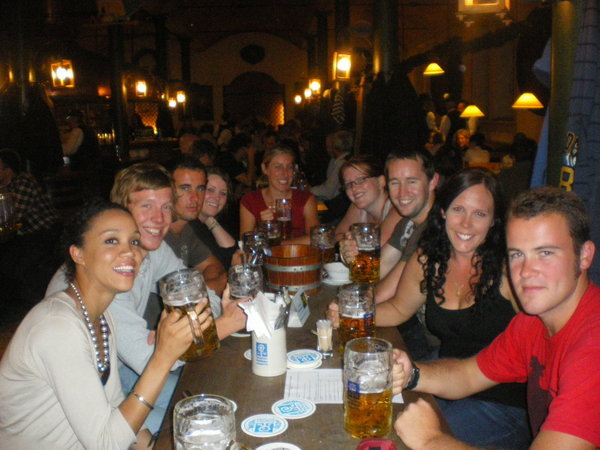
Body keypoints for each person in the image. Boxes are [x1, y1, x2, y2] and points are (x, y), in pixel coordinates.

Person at [45, 162, 247, 435]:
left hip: (118, 374)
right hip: (75, 407)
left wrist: (174, 338)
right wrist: (219, 327)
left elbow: (203, 296)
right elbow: (150, 359)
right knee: (200, 420)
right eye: (146, 206)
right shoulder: (103, 271)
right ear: (121, 210)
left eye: (166, 207)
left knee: (217, 399)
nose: (160, 218)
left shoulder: (155, 250)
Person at [393, 187, 600, 449]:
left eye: (545, 253)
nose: (526, 271)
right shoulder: (533, 322)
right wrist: (411, 374)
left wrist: (431, 440)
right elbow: (468, 375)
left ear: (584, 256)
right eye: (516, 255)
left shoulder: (593, 347)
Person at [0, 201, 206, 448]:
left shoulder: (101, 316)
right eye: (111, 241)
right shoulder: (58, 328)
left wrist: (152, 446)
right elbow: (106, 445)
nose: (129, 252)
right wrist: (162, 358)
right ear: (78, 253)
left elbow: (116, 409)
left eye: (134, 241)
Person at [362, 168, 529, 448]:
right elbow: (399, 308)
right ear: (442, 212)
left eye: (480, 214)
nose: (466, 224)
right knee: (374, 417)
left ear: (494, 221)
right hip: (446, 378)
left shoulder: (510, 271)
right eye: (458, 209)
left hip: (502, 403)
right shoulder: (428, 259)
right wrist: (354, 314)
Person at [333, 148, 439, 360]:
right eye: (395, 183)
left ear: (432, 182)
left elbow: (389, 294)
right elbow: (378, 270)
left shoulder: (434, 228)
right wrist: (352, 258)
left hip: (438, 346)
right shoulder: (408, 223)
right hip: (418, 329)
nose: (402, 193)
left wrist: (347, 312)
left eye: (411, 181)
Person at [0, 148, 61, 303]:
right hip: (25, 236)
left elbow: (13, 218)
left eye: (3, 168)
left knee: (15, 264)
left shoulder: (23, 181)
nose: (0, 173)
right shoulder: (8, 187)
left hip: (47, 234)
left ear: (11, 169)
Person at [165, 157, 229, 290]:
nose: (195, 198)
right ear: (167, 190)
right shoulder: (156, 234)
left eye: (200, 189)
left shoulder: (186, 230)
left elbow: (216, 268)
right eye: (185, 188)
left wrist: (197, 289)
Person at [240, 146, 319, 244]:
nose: (285, 174)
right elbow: (245, 243)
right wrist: (260, 228)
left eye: (289, 167)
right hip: (266, 259)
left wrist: (280, 246)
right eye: (278, 167)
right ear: (265, 169)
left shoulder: (305, 198)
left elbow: (315, 238)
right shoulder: (250, 200)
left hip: (299, 257)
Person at [335, 154, 402, 246]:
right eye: (348, 184)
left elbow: (380, 244)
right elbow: (336, 236)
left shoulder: (397, 209)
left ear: (381, 181)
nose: (354, 188)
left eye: (361, 180)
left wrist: (350, 239)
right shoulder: (358, 207)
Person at [190, 167, 239, 270]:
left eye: (223, 193)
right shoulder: (189, 226)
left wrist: (210, 221)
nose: (217, 198)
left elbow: (233, 251)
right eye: (210, 190)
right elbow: (226, 262)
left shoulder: (213, 222)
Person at [310, 130, 352, 201]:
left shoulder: (342, 163)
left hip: (339, 207)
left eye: (329, 146)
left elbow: (328, 190)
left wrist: (308, 190)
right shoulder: (341, 160)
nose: (328, 150)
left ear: (335, 146)